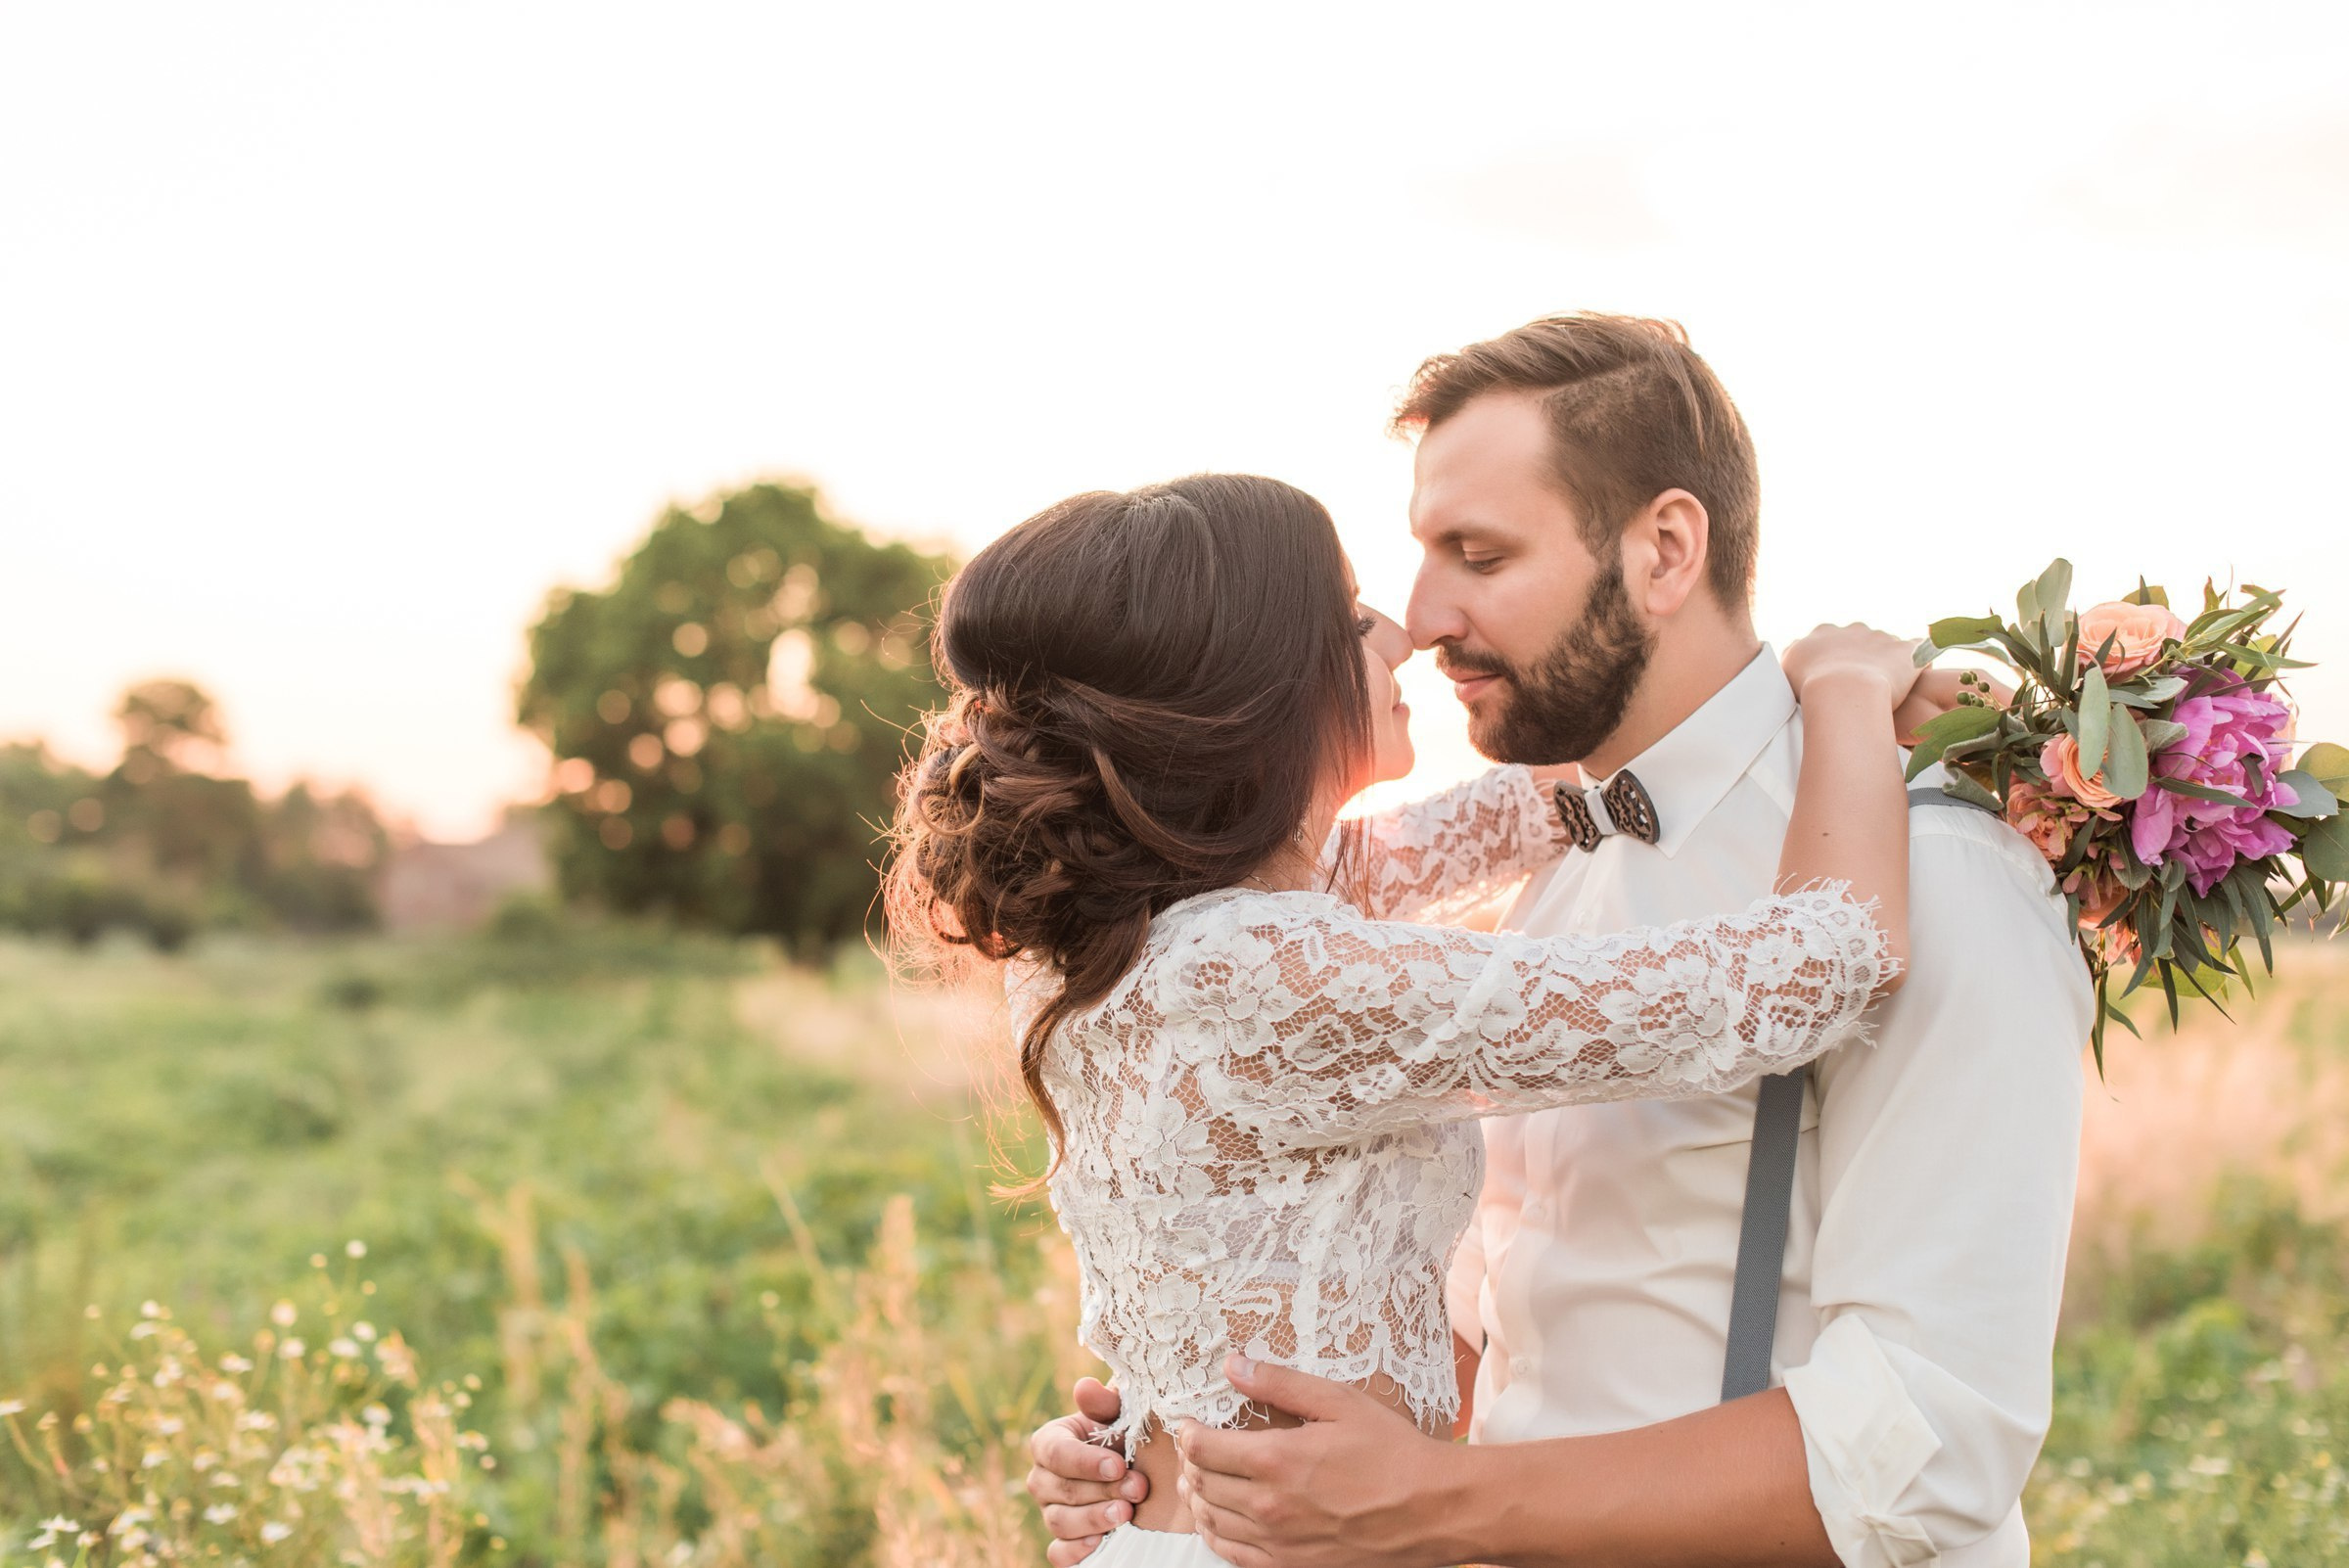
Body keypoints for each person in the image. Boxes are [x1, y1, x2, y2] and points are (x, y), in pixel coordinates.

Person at [1026, 317, 2094, 1568]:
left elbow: (1931, 1449)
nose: (1418, 620)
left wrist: (1419, 1499)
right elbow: (1512, 1308)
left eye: (1476, 553)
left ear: (1665, 549)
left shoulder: (1937, 864)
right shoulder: (1547, 869)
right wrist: (1193, 1455)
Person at [891, 467, 1949, 1568]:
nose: (1399, 633)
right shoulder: (1266, 977)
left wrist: (1726, 713)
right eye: (1350, 616)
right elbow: (1823, 968)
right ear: (1254, 687)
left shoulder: (1132, 934)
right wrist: (1838, 694)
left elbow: (1467, 826)